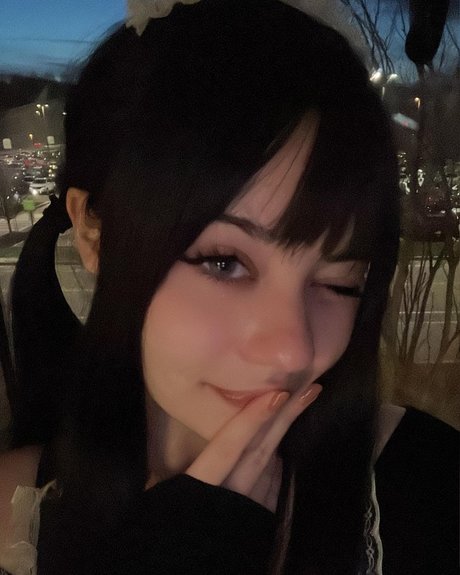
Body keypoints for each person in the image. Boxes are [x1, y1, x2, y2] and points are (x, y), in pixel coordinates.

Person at [0, 1, 458, 574]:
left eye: (341, 283)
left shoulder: (431, 487)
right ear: (95, 233)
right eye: (224, 263)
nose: (292, 350)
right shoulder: (13, 517)